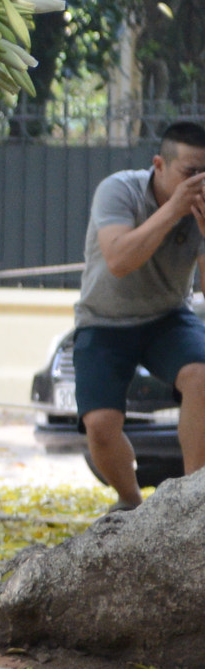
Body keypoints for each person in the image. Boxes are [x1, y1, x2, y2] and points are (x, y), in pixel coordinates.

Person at [72, 122, 205, 508]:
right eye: (190, 173)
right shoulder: (119, 190)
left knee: (201, 374)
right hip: (103, 319)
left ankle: (194, 501)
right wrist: (173, 210)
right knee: (100, 426)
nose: (197, 183)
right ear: (159, 165)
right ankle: (132, 503)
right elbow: (118, 260)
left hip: (168, 318)